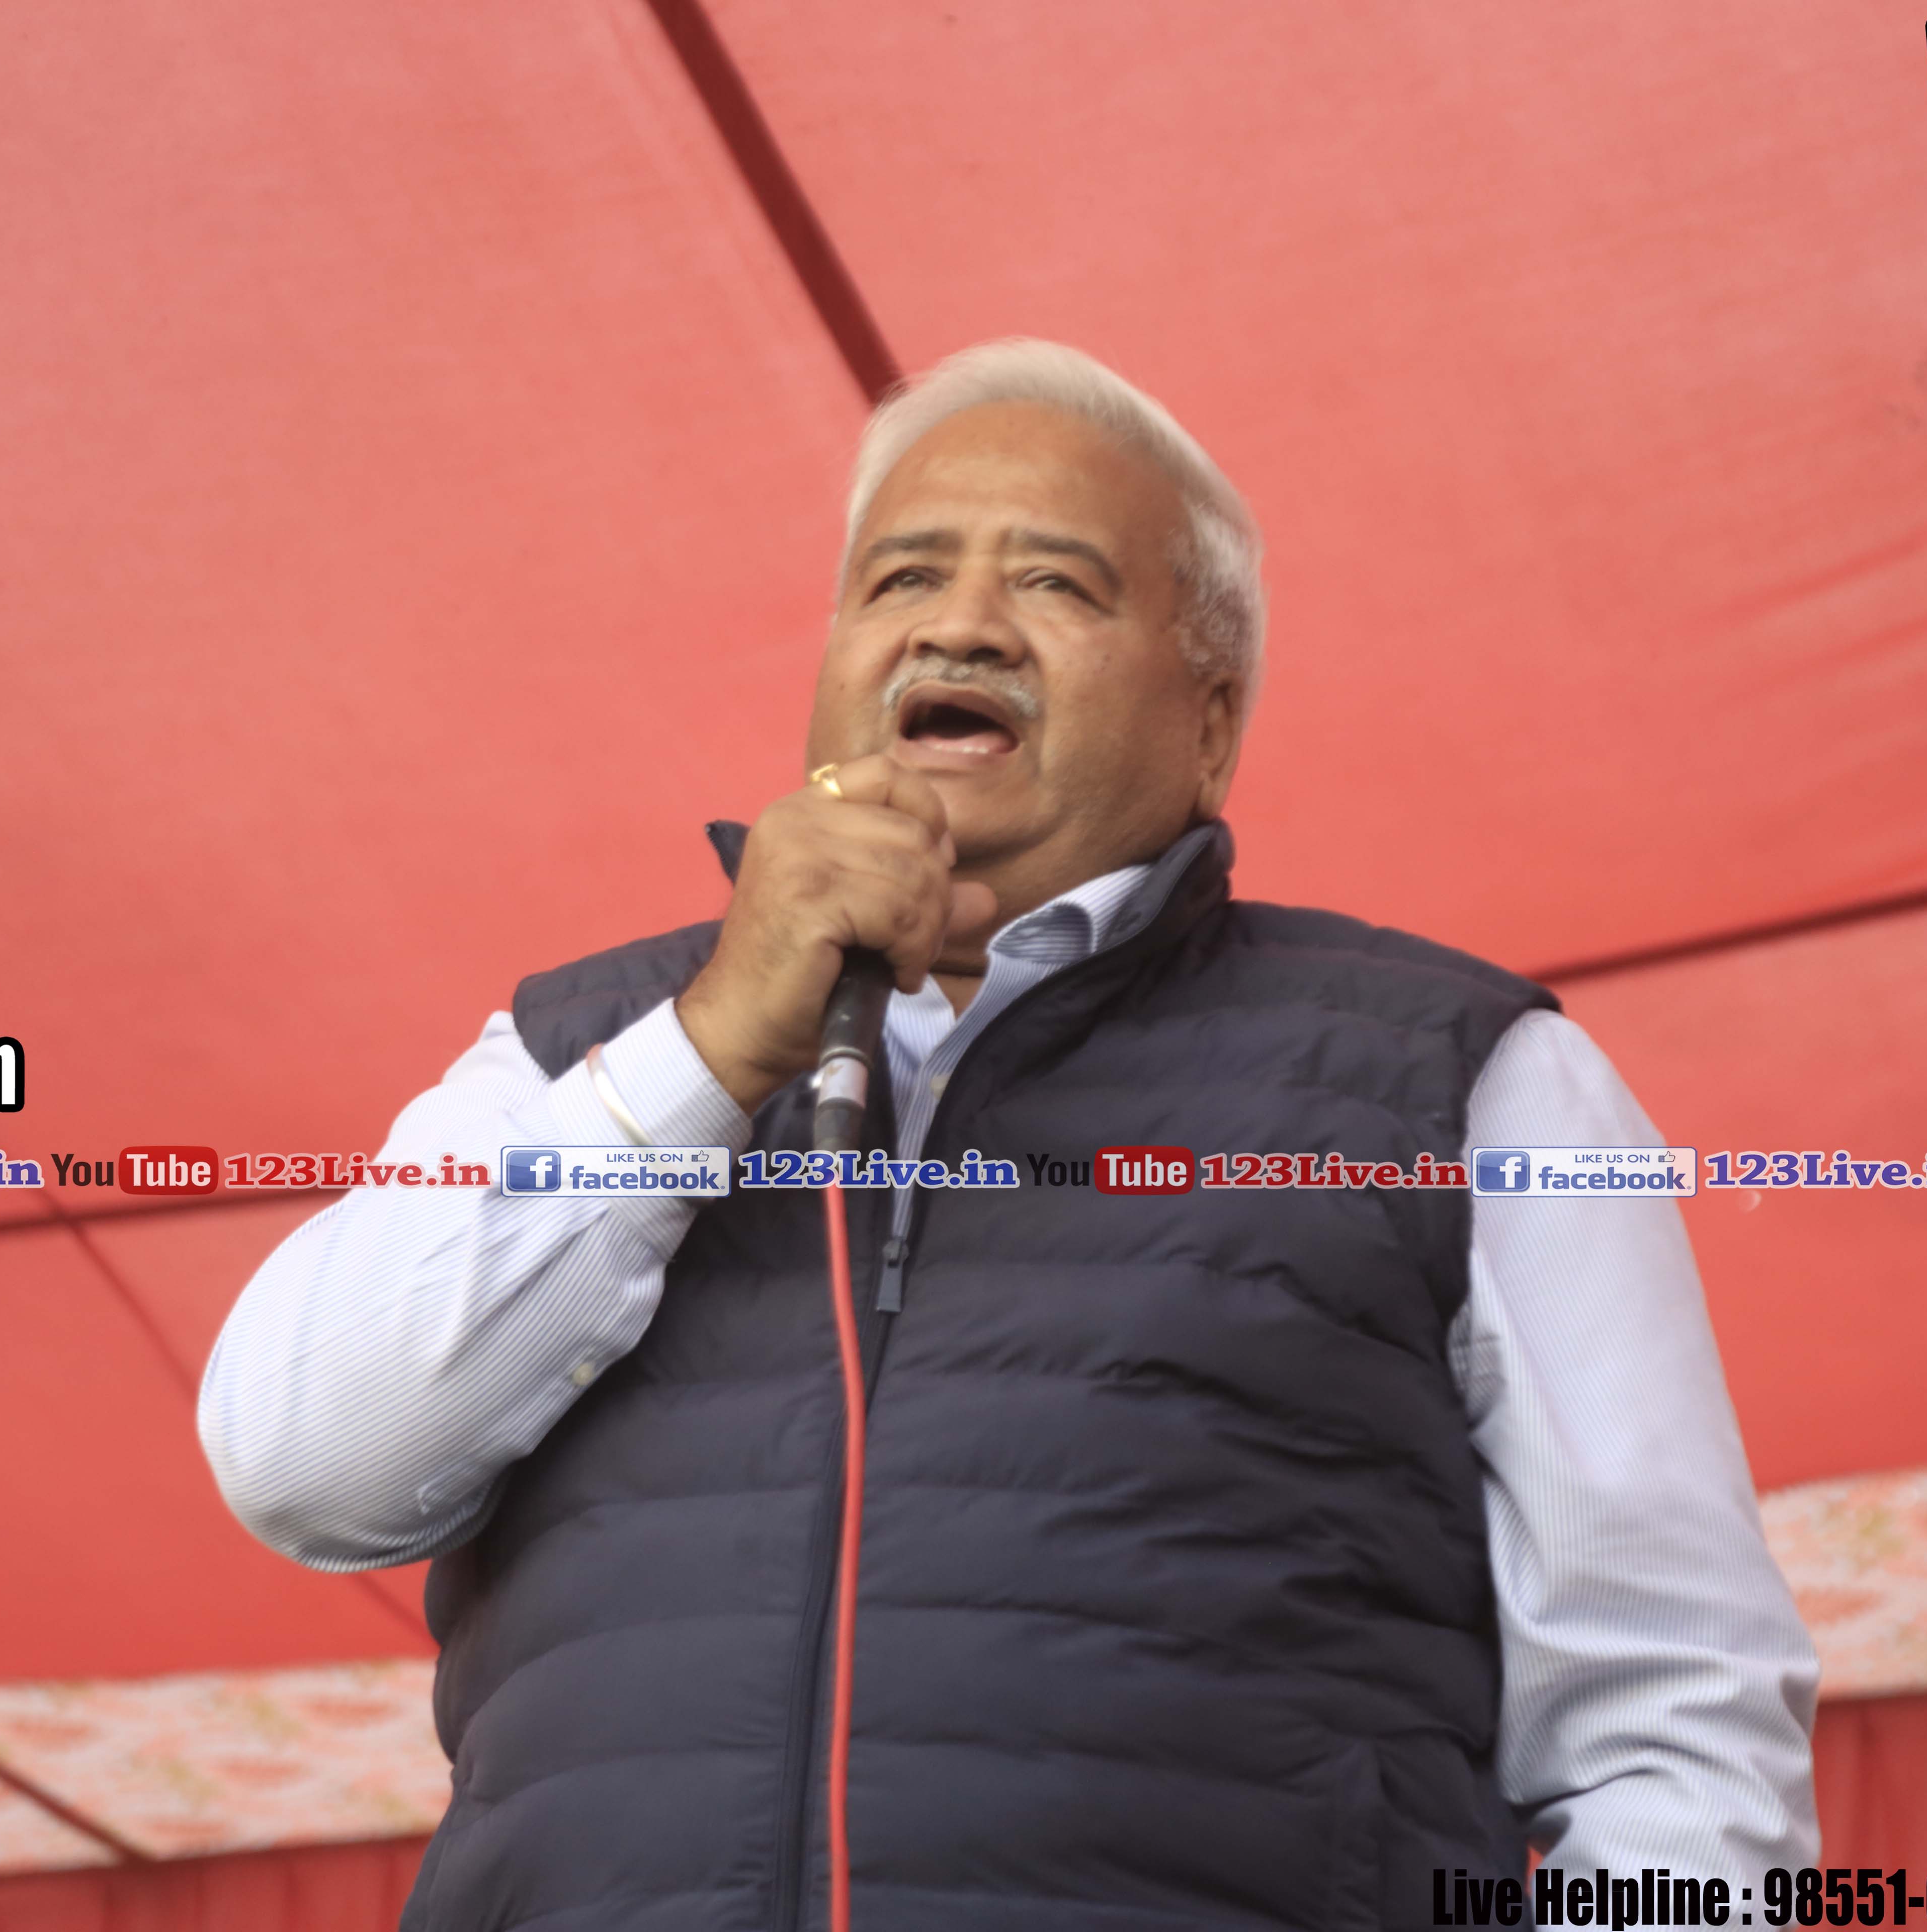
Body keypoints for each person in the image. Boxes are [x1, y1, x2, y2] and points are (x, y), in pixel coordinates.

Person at [200, 339, 1818, 1930]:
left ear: (1211, 722)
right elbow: (307, 1469)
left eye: (1056, 583)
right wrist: (712, 1052)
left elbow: (1675, 1729)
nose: (960, 622)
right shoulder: (581, 1052)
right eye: (901, 579)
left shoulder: (1452, 1078)